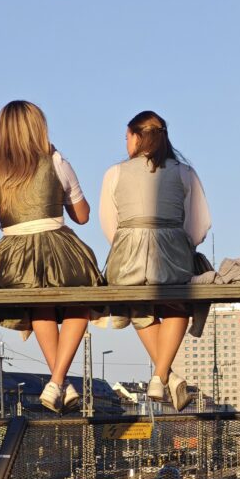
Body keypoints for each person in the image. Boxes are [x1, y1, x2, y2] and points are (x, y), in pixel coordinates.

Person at [0, 100, 103, 413]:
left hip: (13, 257)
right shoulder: (55, 159)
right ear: (38, 127)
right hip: (61, 248)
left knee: (39, 306)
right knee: (81, 299)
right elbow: (83, 216)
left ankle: (59, 383)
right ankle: (57, 380)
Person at [98, 110, 211, 411]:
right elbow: (199, 227)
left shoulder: (114, 173)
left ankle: (164, 376)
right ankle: (161, 377)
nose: (126, 144)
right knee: (177, 305)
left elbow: (109, 225)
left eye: (127, 137)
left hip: (126, 256)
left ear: (137, 137)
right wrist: (177, 240)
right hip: (172, 252)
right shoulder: (185, 173)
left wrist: (130, 244)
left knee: (138, 307)